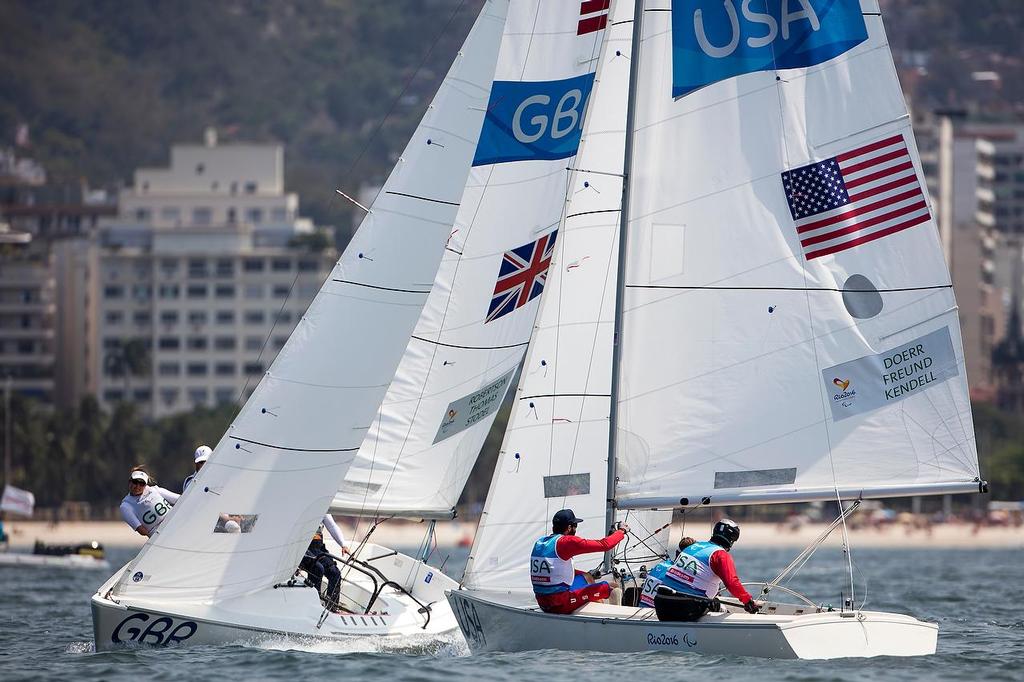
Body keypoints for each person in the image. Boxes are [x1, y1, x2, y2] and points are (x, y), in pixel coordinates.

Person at [653, 519, 760, 620]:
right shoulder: (720, 555)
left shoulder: (691, 547)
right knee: (717, 606)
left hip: (661, 604)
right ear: (732, 540)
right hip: (684, 607)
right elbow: (732, 583)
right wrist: (748, 601)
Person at [530, 508, 628, 614]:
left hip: (543, 602)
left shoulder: (540, 543)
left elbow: (552, 570)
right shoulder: (566, 542)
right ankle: (613, 620)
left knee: (587, 577)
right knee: (611, 587)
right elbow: (605, 545)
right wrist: (621, 531)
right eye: (575, 526)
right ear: (569, 527)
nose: (576, 530)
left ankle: (594, 605)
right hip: (560, 605)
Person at [300, 514, 349, 610]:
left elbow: (332, 526)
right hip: (302, 547)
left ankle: (332, 607)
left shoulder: (323, 507)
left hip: (317, 547)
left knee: (335, 573)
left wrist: (343, 545)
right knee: (318, 568)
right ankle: (314, 605)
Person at [119, 468, 180, 537]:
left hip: (176, 522)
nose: (137, 486)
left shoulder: (155, 490)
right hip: (160, 535)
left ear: (145, 485)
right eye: (135, 482)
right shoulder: (125, 506)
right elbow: (141, 530)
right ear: (130, 482)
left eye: (141, 484)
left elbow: (180, 499)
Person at [638, 536, 695, 607]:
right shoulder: (678, 574)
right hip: (656, 615)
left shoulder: (660, 565)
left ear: (676, 552)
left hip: (640, 609)